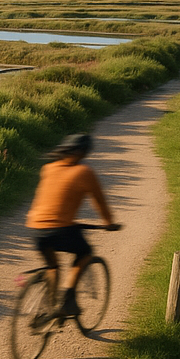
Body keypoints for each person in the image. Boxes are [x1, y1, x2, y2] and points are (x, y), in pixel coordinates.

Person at [25, 132, 120, 317]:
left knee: (52, 266)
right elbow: (100, 202)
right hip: (60, 229)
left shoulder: (48, 168)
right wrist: (109, 223)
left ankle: (50, 308)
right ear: (82, 152)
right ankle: (68, 301)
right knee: (85, 253)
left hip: (36, 228)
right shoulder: (84, 172)